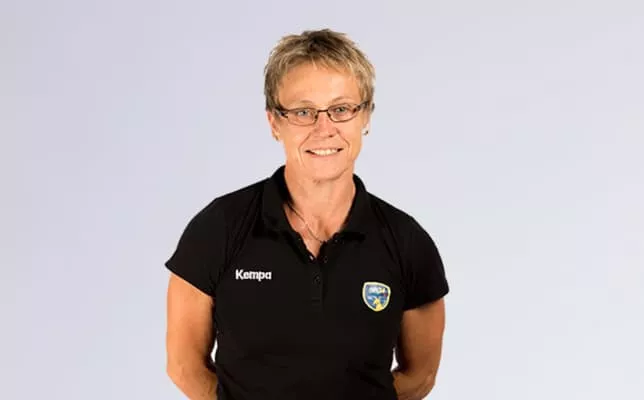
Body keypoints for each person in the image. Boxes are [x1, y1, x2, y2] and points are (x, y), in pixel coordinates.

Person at [164, 28, 450, 400]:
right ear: (274, 122)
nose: (324, 128)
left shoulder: (407, 242)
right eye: (303, 112)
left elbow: (420, 376)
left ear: (365, 116)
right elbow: (183, 366)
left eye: (341, 109)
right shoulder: (219, 228)